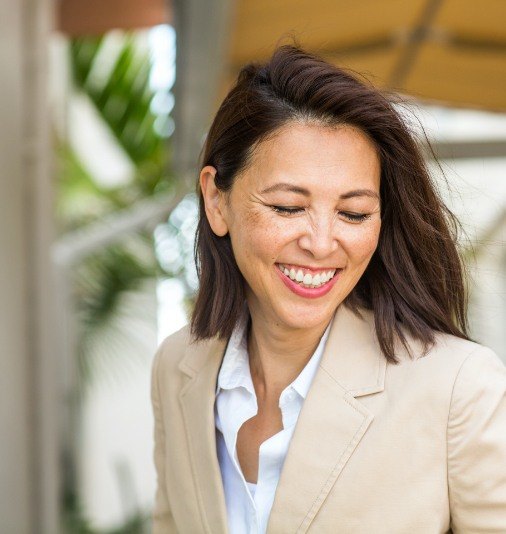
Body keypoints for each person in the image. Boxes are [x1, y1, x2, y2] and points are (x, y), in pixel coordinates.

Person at [150, 45, 506, 533]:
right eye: (287, 207)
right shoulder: (177, 367)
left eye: (353, 213)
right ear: (216, 200)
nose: (321, 245)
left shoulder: (458, 387)